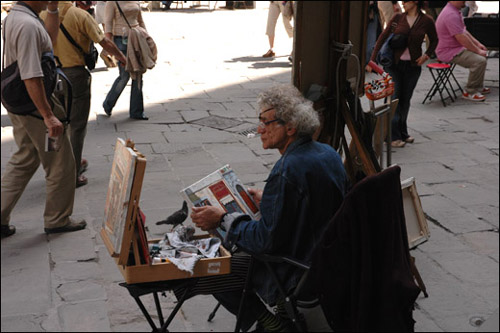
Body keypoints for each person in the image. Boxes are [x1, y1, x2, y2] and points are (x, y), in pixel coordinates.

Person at [188, 84, 348, 331]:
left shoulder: (286, 171)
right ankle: (285, 312)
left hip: (295, 267)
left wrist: (222, 219)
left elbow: (265, 241)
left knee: (210, 270)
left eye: (266, 122)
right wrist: (268, 199)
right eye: (259, 121)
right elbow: (314, 202)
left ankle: (272, 323)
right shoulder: (327, 153)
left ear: (291, 127)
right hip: (324, 256)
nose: (259, 129)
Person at [1, 1, 86, 238]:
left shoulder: (18, 16)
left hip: (21, 103)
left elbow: (49, 38)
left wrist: (52, 9)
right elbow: (31, 75)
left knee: (25, 157)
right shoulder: (26, 24)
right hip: (35, 106)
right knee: (61, 163)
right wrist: (49, 116)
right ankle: (57, 219)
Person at [40, 1, 127, 188]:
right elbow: (104, 42)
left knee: (53, 124)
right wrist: (121, 57)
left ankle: (53, 169)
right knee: (76, 127)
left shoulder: (41, 16)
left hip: (49, 75)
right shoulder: (79, 15)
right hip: (74, 76)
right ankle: (73, 173)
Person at [369, 1, 438, 148]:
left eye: (406, 1)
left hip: (413, 67)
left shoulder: (426, 21)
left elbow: (434, 40)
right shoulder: (398, 18)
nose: (403, 4)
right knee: (395, 98)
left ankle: (402, 132)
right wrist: (372, 61)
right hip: (394, 65)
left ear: (415, 2)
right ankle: (392, 135)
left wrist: (426, 55)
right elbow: (383, 37)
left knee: (405, 100)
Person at [102, 1, 149, 120]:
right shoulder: (112, 2)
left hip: (137, 39)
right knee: (125, 75)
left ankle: (137, 111)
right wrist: (108, 46)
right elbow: (107, 23)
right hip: (121, 41)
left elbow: (140, 20)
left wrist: (147, 38)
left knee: (138, 74)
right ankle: (108, 103)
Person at [435, 1, 489, 102]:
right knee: (479, 61)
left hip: (455, 48)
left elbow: (464, 31)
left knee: (481, 56)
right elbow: (461, 37)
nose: (465, 2)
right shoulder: (451, 14)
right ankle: (470, 91)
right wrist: (477, 50)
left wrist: (478, 45)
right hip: (449, 51)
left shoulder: (454, 11)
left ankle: (478, 86)